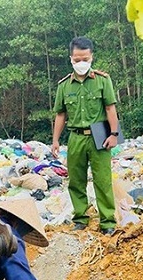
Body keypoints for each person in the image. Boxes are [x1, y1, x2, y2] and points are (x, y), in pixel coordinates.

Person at [51, 36, 119, 236]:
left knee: (103, 180)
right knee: (76, 180)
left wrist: (114, 134)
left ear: (91, 57)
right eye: (77, 59)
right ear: (71, 58)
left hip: (100, 134)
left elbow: (110, 108)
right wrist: (55, 140)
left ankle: (107, 221)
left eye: (85, 59)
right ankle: (81, 217)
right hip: (76, 137)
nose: (81, 63)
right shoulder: (64, 86)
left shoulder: (102, 80)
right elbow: (60, 114)